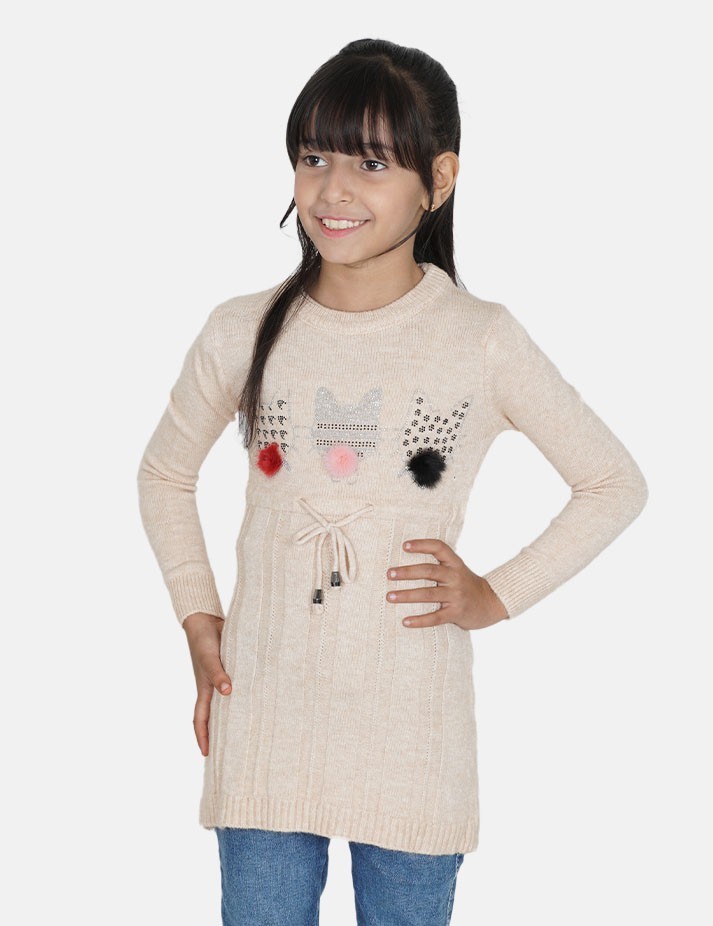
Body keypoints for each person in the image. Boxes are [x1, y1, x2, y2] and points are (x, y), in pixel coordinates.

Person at [137, 37, 648, 926]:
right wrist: (197, 617)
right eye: (314, 157)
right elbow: (163, 473)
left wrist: (495, 594)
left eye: (371, 163)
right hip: (263, 717)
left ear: (437, 180)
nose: (332, 190)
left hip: (411, 732)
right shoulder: (240, 329)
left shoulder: (478, 338)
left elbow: (612, 482)